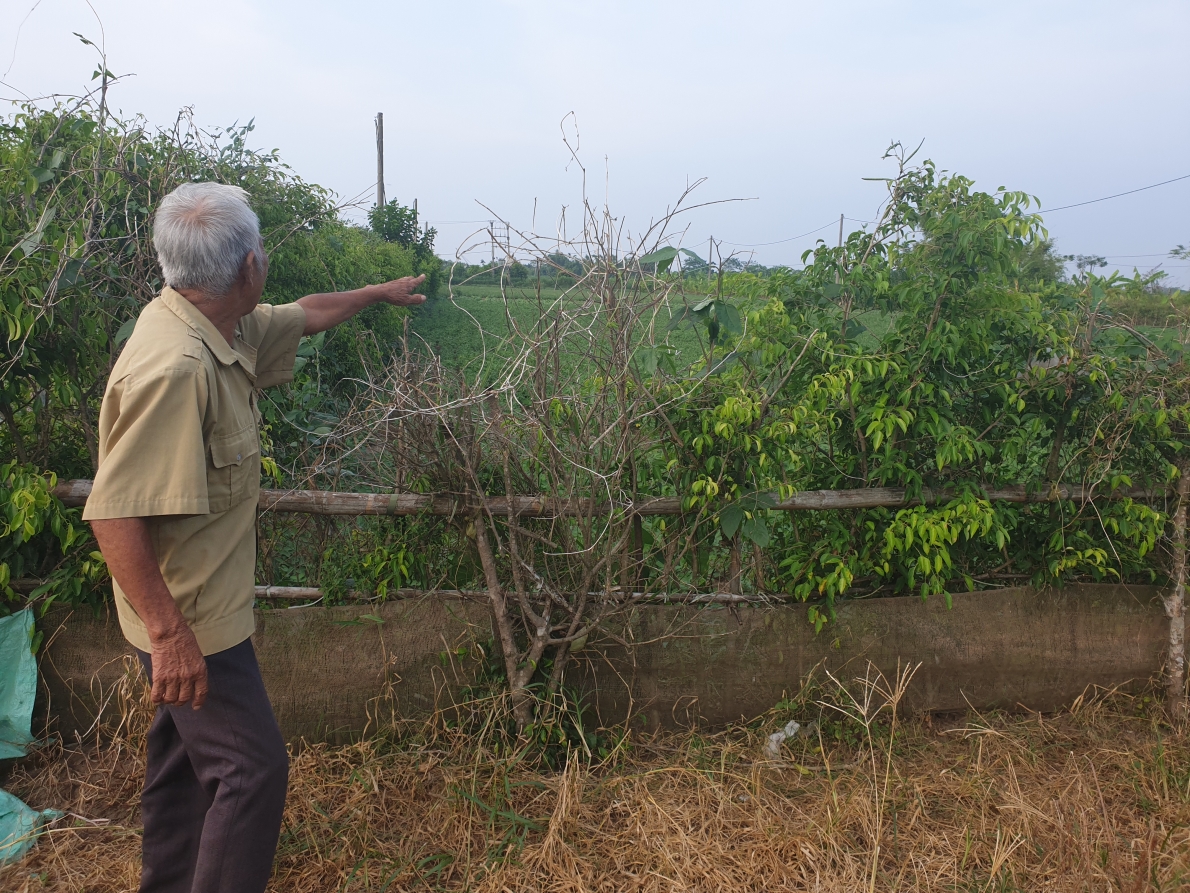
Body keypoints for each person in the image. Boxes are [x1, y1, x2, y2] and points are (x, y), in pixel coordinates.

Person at [83, 182, 426, 893]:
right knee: (252, 768)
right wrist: (170, 633)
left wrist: (376, 292)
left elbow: (304, 317)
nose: (265, 262)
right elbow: (113, 513)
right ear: (247, 270)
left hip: (194, 609)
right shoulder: (176, 369)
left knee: (183, 768)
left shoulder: (218, 323)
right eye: (261, 251)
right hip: (191, 621)